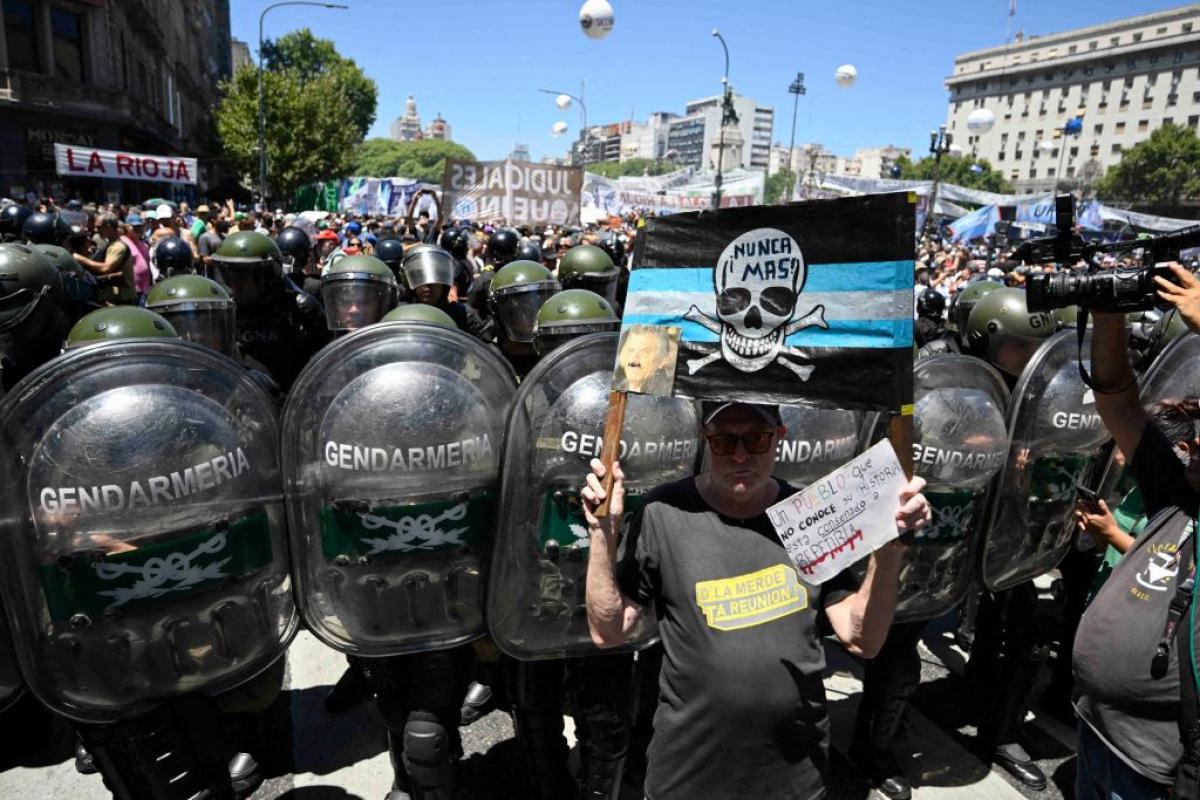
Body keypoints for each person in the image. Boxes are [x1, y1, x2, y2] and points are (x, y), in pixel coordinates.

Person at [582, 401, 930, 800]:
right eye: (724, 441)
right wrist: (602, 533)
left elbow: (861, 638)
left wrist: (890, 550)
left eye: (756, 439)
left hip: (792, 778)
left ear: (779, 438)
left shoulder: (810, 516)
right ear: (705, 440)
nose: (740, 455)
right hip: (687, 775)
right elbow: (608, 631)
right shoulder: (665, 512)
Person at [1073, 262, 1200, 800]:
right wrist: (1108, 319)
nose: (1194, 441)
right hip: (1098, 733)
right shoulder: (1178, 494)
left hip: (1157, 769)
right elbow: (1119, 401)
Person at [613, 325, 674, 395]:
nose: (634, 358)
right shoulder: (616, 387)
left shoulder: (667, 392)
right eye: (631, 350)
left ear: (661, 361)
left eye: (644, 352)